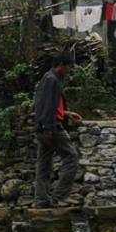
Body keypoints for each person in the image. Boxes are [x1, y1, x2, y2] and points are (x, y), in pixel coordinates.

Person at [31, 56, 83, 206]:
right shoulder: (52, 80)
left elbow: (49, 105)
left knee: (44, 164)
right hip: (51, 126)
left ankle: (41, 200)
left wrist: (67, 113)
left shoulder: (48, 78)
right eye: (68, 67)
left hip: (43, 126)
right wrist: (49, 127)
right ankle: (59, 197)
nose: (69, 70)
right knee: (72, 157)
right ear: (60, 65)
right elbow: (47, 105)